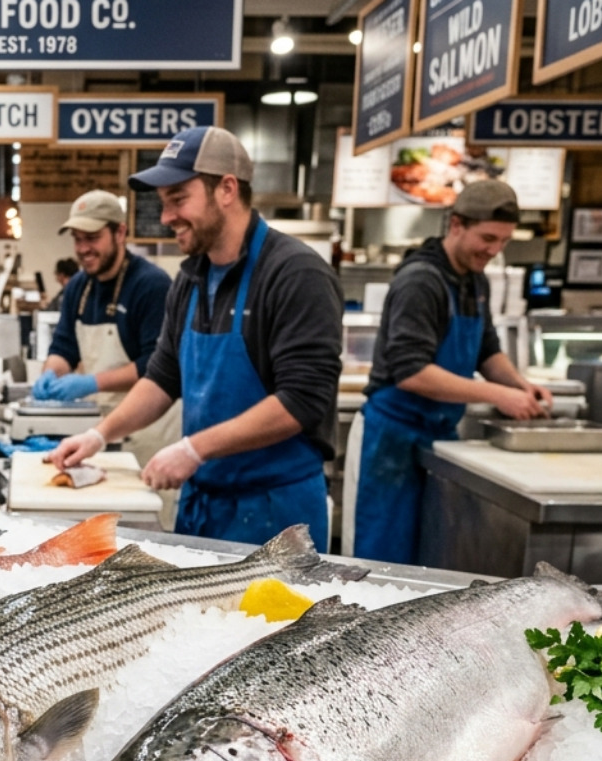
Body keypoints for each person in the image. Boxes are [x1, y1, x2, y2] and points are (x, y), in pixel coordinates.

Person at [50, 126, 344, 548]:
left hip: (275, 515)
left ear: (226, 189)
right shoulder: (191, 279)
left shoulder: (296, 274)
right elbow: (162, 377)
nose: (167, 217)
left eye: (178, 200)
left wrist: (193, 450)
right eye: (164, 203)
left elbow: (302, 401)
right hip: (203, 506)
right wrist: (100, 435)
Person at [353, 180, 552, 564]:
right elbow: (411, 372)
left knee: (432, 552)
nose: (494, 251)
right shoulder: (420, 281)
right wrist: (497, 395)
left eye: (503, 241)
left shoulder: (474, 280)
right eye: (488, 238)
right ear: (456, 224)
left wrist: (521, 386)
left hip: (440, 438)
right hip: (393, 440)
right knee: (385, 557)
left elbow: (486, 351)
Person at [33, 190, 177, 476]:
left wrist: (91, 383)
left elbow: (157, 365)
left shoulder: (152, 285)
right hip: (98, 429)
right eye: (77, 238)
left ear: (120, 232)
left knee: (145, 515)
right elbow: (64, 347)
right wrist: (51, 372)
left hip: (150, 431)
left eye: (92, 237)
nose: (83, 248)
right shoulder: (77, 287)